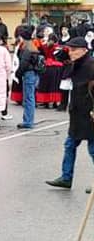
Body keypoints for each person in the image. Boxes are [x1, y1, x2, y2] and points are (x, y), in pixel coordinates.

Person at [47, 37, 94, 191]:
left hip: (90, 112)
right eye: (70, 49)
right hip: (77, 111)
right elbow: (61, 62)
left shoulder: (90, 65)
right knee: (70, 144)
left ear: (84, 50)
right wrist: (65, 54)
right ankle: (66, 178)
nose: (71, 52)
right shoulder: (77, 63)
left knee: (92, 149)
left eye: (74, 50)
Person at [14, 25, 42, 129]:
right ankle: (28, 120)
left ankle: (28, 121)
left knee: (28, 98)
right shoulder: (31, 45)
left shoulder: (26, 47)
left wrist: (18, 73)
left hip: (28, 73)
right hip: (33, 73)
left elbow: (24, 63)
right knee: (30, 97)